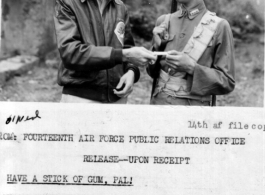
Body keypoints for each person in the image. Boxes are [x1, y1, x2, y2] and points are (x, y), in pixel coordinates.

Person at [54, 0, 156, 104]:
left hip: (118, 98)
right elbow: (71, 53)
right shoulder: (68, 2)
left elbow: (127, 47)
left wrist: (131, 71)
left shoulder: (120, 6)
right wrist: (123, 55)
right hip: (81, 99)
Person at [148, 0, 235, 106]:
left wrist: (192, 68)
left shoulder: (219, 25)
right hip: (159, 106)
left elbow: (227, 82)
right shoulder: (164, 21)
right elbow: (152, 73)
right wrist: (157, 47)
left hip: (194, 112)